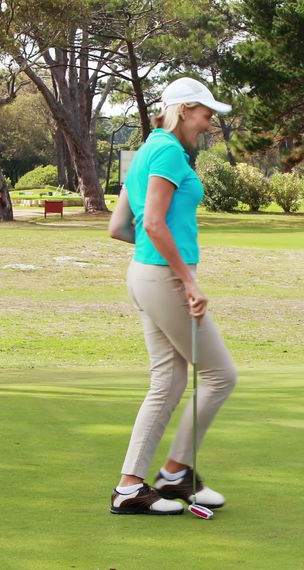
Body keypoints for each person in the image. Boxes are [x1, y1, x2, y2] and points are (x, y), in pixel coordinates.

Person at [106, 77, 237, 515]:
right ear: (184, 110)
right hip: (164, 279)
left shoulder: (147, 150)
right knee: (220, 376)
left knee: (169, 382)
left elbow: (119, 226)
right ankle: (176, 473)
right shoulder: (166, 152)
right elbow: (155, 224)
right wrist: (188, 280)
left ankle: (131, 488)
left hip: (148, 275)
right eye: (205, 114)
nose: (209, 124)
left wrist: (154, 260)